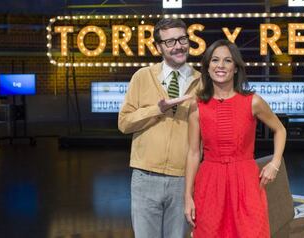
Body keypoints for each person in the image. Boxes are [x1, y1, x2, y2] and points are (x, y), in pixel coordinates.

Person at [184, 39, 287, 238]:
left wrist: (275, 163)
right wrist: (187, 196)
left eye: (227, 61)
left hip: (246, 182)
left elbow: (280, 130)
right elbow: (193, 153)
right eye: (214, 60)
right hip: (210, 183)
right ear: (207, 67)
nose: (220, 66)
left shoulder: (253, 101)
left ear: (236, 68)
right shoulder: (197, 106)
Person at [118, 18, 201, 238]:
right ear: (158, 47)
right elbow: (124, 123)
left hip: (184, 180)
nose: (178, 46)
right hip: (145, 178)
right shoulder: (142, 77)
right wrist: (157, 109)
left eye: (182, 39)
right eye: (170, 41)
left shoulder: (202, 82)